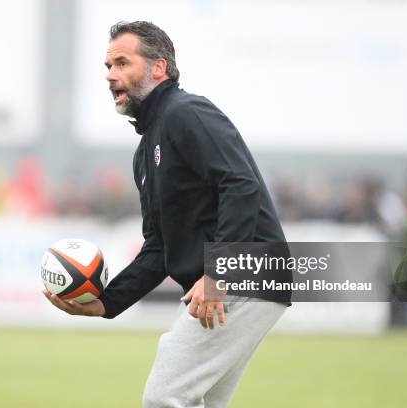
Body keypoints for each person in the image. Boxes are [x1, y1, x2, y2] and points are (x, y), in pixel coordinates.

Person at [43, 21, 290, 407]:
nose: (111, 75)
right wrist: (108, 303)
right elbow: (159, 247)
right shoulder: (146, 151)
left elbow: (240, 184)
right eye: (108, 66)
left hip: (244, 272)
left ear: (159, 68)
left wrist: (216, 273)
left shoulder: (186, 112)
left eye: (122, 63)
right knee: (197, 401)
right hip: (237, 278)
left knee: (165, 398)